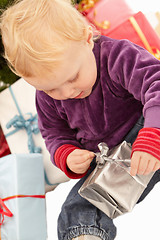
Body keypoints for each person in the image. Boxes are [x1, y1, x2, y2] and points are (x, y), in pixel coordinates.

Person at [1, 0, 160, 239]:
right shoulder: (46, 97)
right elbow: (53, 133)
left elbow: (155, 84)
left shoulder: (117, 56)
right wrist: (66, 154)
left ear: (87, 40)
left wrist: (153, 133)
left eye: (73, 77)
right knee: (76, 208)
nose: (66, 93)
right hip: (109, 162)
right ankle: (87, 235)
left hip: (146, 132)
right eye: (52, 89)